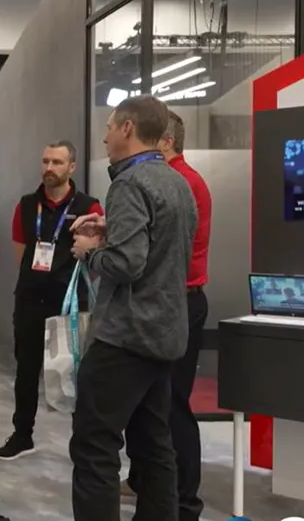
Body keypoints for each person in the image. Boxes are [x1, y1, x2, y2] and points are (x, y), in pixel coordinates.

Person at [68, 95, 197, 521]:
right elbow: (163, 245)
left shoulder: (128, 184)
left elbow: (126, 264)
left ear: (127, 128)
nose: (104, 137)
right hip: (164, 334)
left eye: (109, 127)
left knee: (94, 445)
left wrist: (90, 252)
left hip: (124, 338)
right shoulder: (178, 183)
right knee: (153, 445)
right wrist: (114, 228)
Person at [121, 110, 212, 520]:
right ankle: (146, 483)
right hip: (167, 302)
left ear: (166, 141)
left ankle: (185, 501)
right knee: (152, 403)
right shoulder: (172, 181)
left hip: (177, 302)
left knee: (172, 405)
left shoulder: (179, 182)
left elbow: (154, 251)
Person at [0, 140, 103, 461]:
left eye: (57, 162)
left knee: (75, 371)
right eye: (45, 161)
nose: (49, 168)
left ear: (72, 167)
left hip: (70, 302)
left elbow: (95, 259)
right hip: (30, 300)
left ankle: (82, 441)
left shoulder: (89, 207)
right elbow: (21, 254)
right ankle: (22, 434)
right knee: (26, 371)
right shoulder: (27, 205)